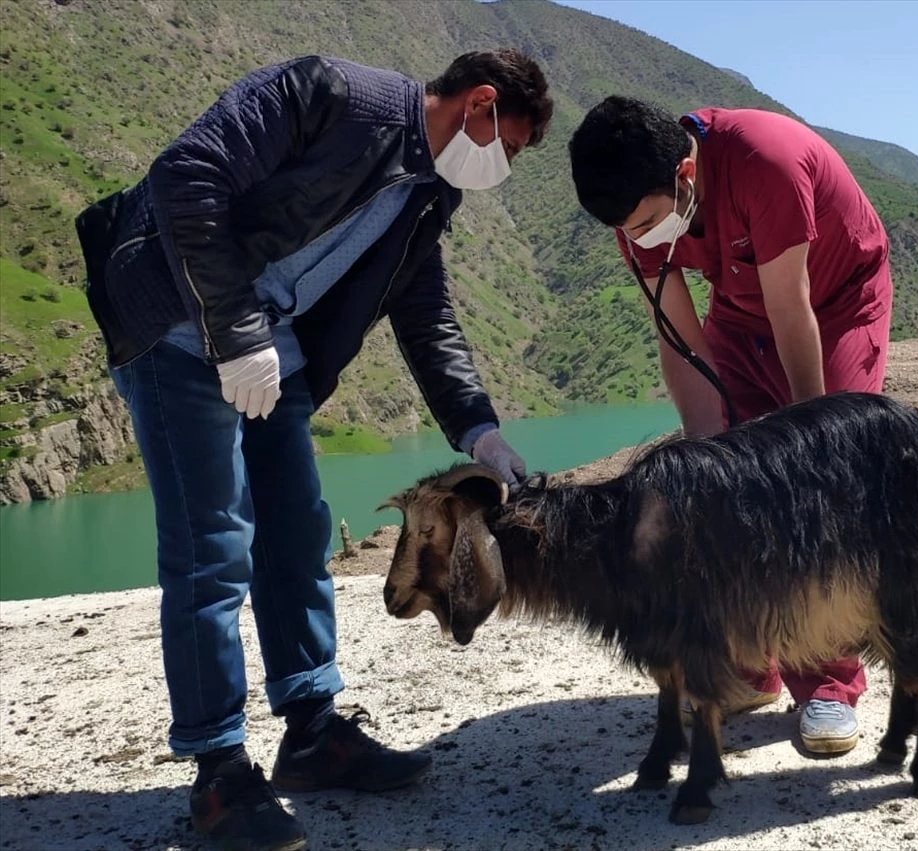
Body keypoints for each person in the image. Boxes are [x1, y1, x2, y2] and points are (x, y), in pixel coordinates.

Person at [74, 50, 552, 851]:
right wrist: (233, 330)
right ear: (479, 104)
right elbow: (186, 175)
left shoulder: (430, 196)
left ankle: (311, 731)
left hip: (273, 357)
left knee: (296, 534)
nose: (504, 164)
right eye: (511, 143)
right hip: (181, 328)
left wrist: (479, 430)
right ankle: (220, 775)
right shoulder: (328, 94)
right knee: (211, 549)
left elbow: (426, 315)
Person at [567, 95, 893, 758]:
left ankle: (828, 682)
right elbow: (679, 339)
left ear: (685, 175)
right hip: (742, 317)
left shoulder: (763, 161)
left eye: (652, 222)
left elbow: (792, 308)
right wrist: (705, 456)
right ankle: (749, 665)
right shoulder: (637, 210)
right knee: (726, 490)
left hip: (833, 305)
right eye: (630, 229)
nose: (644, 237)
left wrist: (812, 444)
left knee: (815, 494)